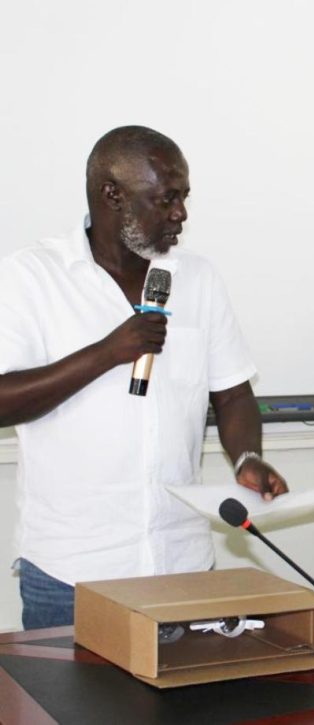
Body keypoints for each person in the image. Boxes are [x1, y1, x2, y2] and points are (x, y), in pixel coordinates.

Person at [0, 126, 288, 630]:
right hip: (73, 573)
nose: (181, 214)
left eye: (184, 198)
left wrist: (247, 456)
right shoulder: (31, 277)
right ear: (112, 194)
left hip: (182, 563)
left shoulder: (197, 278)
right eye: (166, 199)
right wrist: (107, 353)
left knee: (186, 710)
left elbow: (234, 394)